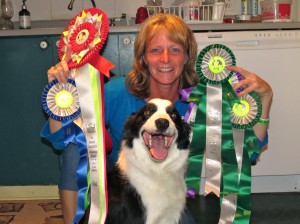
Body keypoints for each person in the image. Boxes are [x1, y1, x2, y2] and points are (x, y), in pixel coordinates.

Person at [42, 13, 273, 224]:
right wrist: (60, 94)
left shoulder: (200, 100)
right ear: (143, 58)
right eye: (155, 50)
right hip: (117, 189)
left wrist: (265, 99)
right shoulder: (117, 92)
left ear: (186, 57)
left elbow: (248, 151)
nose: (165, 59)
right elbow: (62, 137)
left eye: (174, 50)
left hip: (167, 190)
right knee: (75, 147)